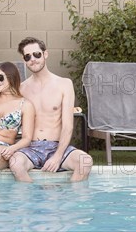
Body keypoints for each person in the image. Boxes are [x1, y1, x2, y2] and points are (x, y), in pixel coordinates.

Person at [9, 37, 93, 182]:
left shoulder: (64, 84)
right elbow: (6, 122)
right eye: (28, 57)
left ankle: (70, 200)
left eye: (37, 54)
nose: (33, 59)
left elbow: (68, 126)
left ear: (45, 54)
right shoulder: (21, 89)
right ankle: (30, 201)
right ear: (24, 60)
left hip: (57, 146)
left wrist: (58, 156)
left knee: (85, 162)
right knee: (16, 164)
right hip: (30, 148)